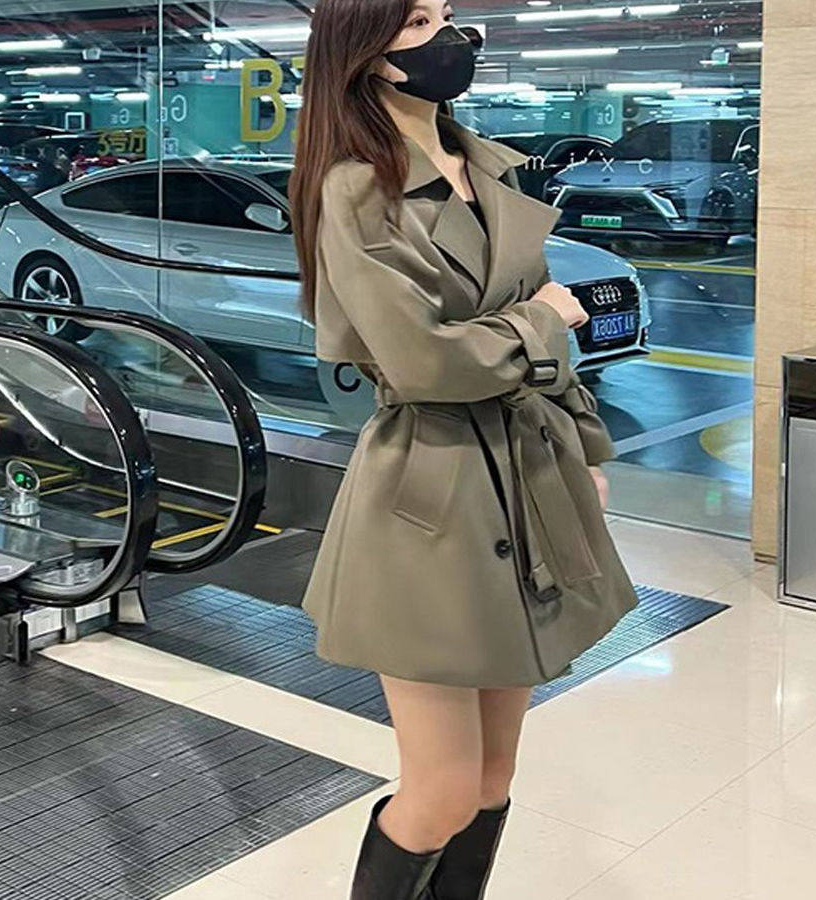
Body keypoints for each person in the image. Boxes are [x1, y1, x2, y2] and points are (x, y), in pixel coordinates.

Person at [289, 2, 639, 897]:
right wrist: (541, 318)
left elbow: (536, 354)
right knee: (441, 791)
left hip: (529, 472)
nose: (451, 39)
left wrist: (585, 449)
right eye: (416, 22)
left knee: (491, 781)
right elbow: (424, 363)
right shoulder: (354, 191)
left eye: (449, 15)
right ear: (366, 52)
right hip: (430, 496)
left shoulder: (487, 166)